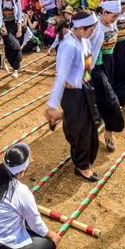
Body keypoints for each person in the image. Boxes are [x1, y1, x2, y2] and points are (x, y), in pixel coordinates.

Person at [0, 143, 59, 249]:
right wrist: (52, 236)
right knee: (46, 244)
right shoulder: (22, 192)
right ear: (22, 172)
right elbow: (36, 224)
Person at [45, 10, 101, 182]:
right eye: (91, 28)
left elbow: (86, 67)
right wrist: (53, 105)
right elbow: (61, 76)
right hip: (72, 94)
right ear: (82, 28)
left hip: (85, 88)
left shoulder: (84, 41)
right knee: (80, 132)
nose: (94, 32)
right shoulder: (69, 45)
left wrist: (89, 85)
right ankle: (81, 166)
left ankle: (64, 117)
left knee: (91, 125)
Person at [89, 0, 125, 152]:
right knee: (111, 100)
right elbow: (85, 48)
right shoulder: (94, 26)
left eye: (117, 16)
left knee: (103, 96)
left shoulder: (112, 23)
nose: (115, 19)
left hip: (109, 62)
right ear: (103, 13)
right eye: (113, 16)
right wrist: (87, 70)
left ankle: (106, 128)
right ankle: (110, 129)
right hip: (97, 66)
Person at [0, 0, 23, 79]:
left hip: (14, 25)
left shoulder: (16, 0)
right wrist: (2, 26)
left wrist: (20, 29)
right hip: (5, 26)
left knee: (14, 47)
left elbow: (19, 16)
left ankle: (14, 67)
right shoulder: (0, 0)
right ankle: (15, 68)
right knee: (15, 46)